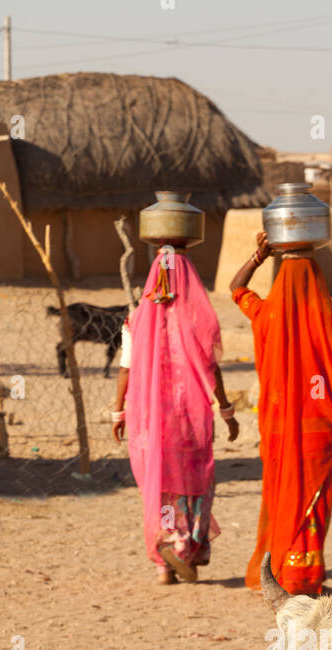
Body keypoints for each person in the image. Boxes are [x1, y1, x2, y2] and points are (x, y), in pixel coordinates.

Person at [230, 232, 332, 596]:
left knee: (280, 494)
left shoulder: (266, 314)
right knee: (312, 502)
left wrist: (259, 256)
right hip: (319, 430)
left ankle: (278, 570)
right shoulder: (324, 318)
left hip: (276, 429)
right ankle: (304, 575)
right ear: (317, 278)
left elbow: (236, 288)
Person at [113, 243, 239, 585]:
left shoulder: (135, 320)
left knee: (161, 484)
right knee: (191, 485)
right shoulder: (197, 320)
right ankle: (189, 553)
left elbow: (126, 370)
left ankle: (164, 560)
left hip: (150, 421)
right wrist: (227, 410)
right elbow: (212, 369)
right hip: (190, 418)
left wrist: (118, 412)